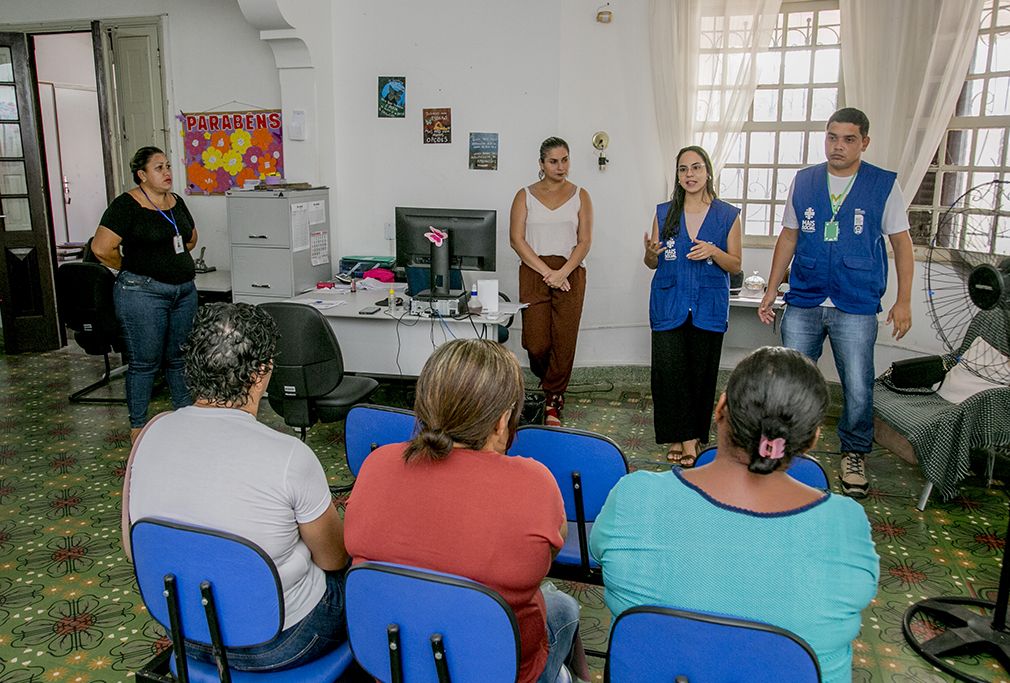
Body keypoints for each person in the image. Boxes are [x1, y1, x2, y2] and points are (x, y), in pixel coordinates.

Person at [591, 346, 879, 683]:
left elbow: (599, 552)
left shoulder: (634, 497)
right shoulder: (847, 526)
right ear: (813, 438)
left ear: (720, 409)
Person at [125, 303, 364, 678]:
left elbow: (133, 548)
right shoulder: (289, 456)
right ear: (262, 373)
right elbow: (333, 559)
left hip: (183, 631)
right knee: (360, 581)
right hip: (279, 643)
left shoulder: (151, 433)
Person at [344, 339, 581, 683]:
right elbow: (553, 545)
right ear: (502, 421)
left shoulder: (377, 464)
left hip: (395, 664)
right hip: (502, 670)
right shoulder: (534, 483)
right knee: (564, 606)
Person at [757, 108, 914, 498]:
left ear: (864, 142)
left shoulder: (882, 185)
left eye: (847, 139)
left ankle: (854, 452)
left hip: (856, 300)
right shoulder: (805, 181)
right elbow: (789, 236)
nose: (837, 146)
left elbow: (901, 243)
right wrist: (772, 288)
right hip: (806, 295)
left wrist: (904, 300)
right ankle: (778, 448)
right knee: (788, 380)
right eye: (831, 137)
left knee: (858, 385)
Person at [91, 146, 199, 443]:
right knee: (145, 361)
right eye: (159, 168)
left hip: (183, 292)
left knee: (179, 358)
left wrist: (169, 261)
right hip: (142, 293)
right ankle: (138, 426)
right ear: (142, 174)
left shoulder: (175, 202)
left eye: (167, 166)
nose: (167, 173)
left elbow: (190, 238)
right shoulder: (126, 205)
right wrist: (133, 268)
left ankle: (185, 418)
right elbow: (101, 249)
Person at [643, 145, 742, 466]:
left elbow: (735, 265)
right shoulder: (664, 212)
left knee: (700, 375)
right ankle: (676, 435)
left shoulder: (727, 215)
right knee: (669, 374)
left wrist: (713, 251)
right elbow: (652, 262)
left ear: (708, 172)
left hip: (708, 305)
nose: (690, 175)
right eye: (684, 169)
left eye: (696, 168)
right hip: (669, 303)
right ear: (677, 175)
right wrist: (649, 253)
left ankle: (692, 439)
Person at [510, 137, 593, 426]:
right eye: (554, 161)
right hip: (534, 270)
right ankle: (550, 383)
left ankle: (553, 399)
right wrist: (548, 272)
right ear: (541, 164)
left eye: (565, 159)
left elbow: (584, 242)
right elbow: (516, 240)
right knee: (535, 343)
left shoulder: (581, 195)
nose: (561, 167)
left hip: (570, 272)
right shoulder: (525, 195)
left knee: (564, 340)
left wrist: (563, 272)